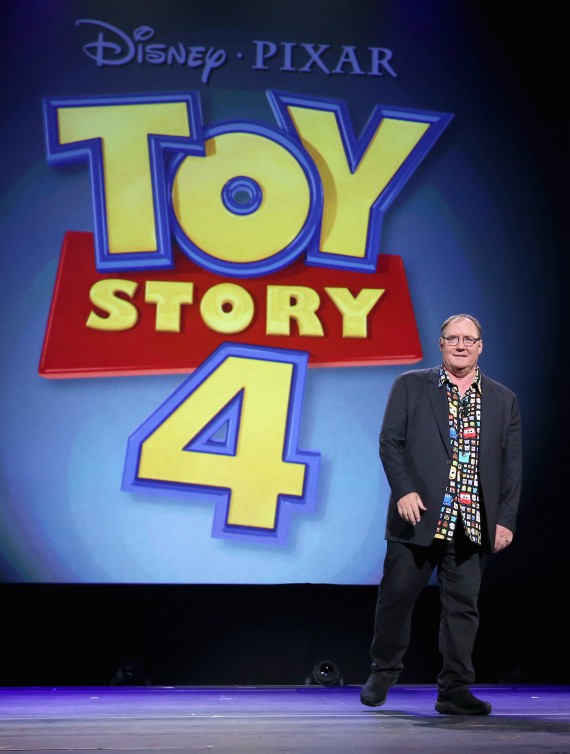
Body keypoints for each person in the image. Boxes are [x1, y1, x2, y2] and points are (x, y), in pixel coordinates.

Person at [360, 314, 522, 715]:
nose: (461, 345)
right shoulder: (410, 385)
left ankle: (454, 690)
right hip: (418, 516)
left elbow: (512, 465)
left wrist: (505, 519)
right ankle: (384, 670)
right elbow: (390, 442)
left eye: (469, 339)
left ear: (480, 346)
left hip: (472, 520)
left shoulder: (504, 399)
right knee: (396, 598)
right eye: (453, 338)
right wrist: (404, 489)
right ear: (441, 344)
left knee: (463, 608)